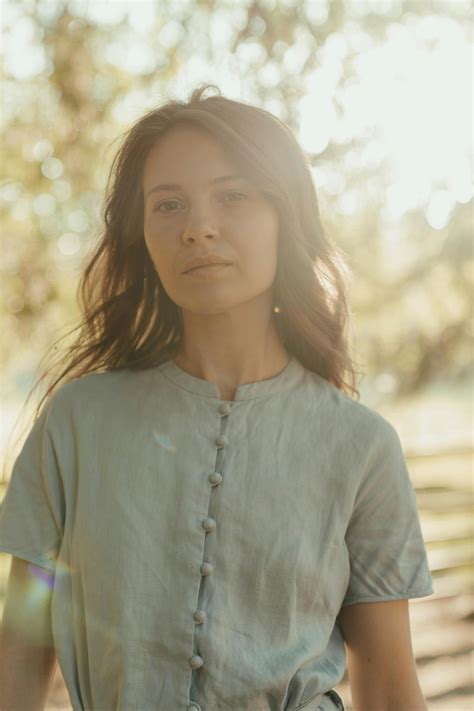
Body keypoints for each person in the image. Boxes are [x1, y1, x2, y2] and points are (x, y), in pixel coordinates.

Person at [0, 84, 433, 711]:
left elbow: (391, 686)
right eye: (168, 204)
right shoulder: (73, 426)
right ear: (142, 235)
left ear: (286, 217)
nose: (198, 228)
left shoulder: (362, 448)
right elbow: (18, 649)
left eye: (233, 196)